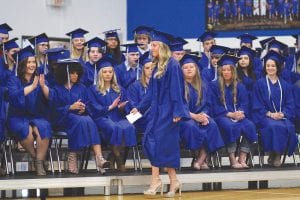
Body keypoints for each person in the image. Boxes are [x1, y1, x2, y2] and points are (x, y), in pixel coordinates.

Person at [131, 30, 190, 197]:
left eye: (154, 45)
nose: (152, 48)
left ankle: (168, 182)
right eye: (151, 45)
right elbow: (150, 93)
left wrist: (178, 112)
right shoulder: (157, 65)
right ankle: (169, 180)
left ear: (163, 47)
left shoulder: (172, 65)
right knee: (149, 142)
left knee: (167, 146)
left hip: (169, 112)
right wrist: (140, 108)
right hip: (156, 111)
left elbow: (176, 91)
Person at [49, 58, 109, 174]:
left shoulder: (81, 88)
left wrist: (84, 108)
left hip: (80, 119)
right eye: (72, 73)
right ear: (64, 73)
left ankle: (99, 157)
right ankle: (74, 155)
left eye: (77, 73)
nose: (75, 75)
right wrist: (70, 107)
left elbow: (88, 103)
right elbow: (53, 110)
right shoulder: (56, 89)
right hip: (62, 120)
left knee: (88, 119)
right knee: (80, 120)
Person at [7, 46, 51, 175]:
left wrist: (43, 86)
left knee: (44, 127)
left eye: (33, 62)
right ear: (22, 64)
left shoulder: (40, 78)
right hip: (18, 116)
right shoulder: (13, 80)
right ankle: (38, 159)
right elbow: (14, 96)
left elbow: (49, 97)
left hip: (36, 115)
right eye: (28, 62)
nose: (32, 65)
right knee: (25, 131)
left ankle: (38, 161)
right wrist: (32, 87)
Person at [87, 56, 137, 172]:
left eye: (110, 72)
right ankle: (119, 160)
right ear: (100, 74)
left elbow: (126, 105)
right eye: (104, 72)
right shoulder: (93, 89)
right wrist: (110, 107)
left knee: (129, 127)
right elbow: (92, 107)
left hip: (118, 117)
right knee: (113, 127)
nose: (108, 74)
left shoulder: (119, 89)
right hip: (102, 118)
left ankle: (113, 155)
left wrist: (121, 108)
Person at [252, 50, 298, 167]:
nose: (270, 68)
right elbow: (256, 104)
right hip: (265, 116)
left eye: (273, 66)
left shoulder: (285, 85)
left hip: (282, 116)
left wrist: (283, 114)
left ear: (277, 67)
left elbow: (290, 104)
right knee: (273, 125)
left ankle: (277, 153)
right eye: (268, 65)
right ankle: (275, 153)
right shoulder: (259, 83)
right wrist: (270, 114)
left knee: (289, 126)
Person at [211, 54, 257, 169]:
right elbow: (213, 105)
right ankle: (232, 158)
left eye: (229, 70)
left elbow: (245, 103)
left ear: (233, 71)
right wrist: (230, 114)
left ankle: (242, 156)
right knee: (230, 126)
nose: (226, 72)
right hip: (222, 116)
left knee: (250, 125)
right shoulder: (214, 86)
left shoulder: (240, 85)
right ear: (221, 71)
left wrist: (240, 112)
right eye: (224, 70)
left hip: (238, 116)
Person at [179, 54, 224, 170]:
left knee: (212, 124)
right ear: (181, 70)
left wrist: (203, 115)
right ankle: (197, 156)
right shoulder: (178, 85)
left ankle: (201, 159)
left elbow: (209, 104)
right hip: (185, 117)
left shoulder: (203, 84)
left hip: (201, 116)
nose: (189, 69)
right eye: (185, 67)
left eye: (191, 67)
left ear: (196, 69)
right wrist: (194, 116)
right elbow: (178, 106)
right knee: (191, 126)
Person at [127, 52, 153, 132]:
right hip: (140, 118)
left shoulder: (160, 85)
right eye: (147, 68)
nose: (150, 71)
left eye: (152, 68)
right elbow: (133, 106)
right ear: (143, 69)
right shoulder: (135, 86)